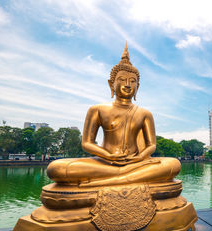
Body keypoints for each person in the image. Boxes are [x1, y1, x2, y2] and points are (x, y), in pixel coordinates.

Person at [47, 44, 180, 186]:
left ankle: (115, 179)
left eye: (133, 81)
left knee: (173, 164)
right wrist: (108, 156)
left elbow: (151, 145)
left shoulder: (144, 113)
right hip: (105, 162)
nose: (128, 84)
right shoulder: (97, 109)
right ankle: (129, 176)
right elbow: (86, 143)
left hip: (137, 162)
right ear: (111, 84)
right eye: (122, 80)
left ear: (138, 87)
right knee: (56, 168)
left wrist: (140, 157)